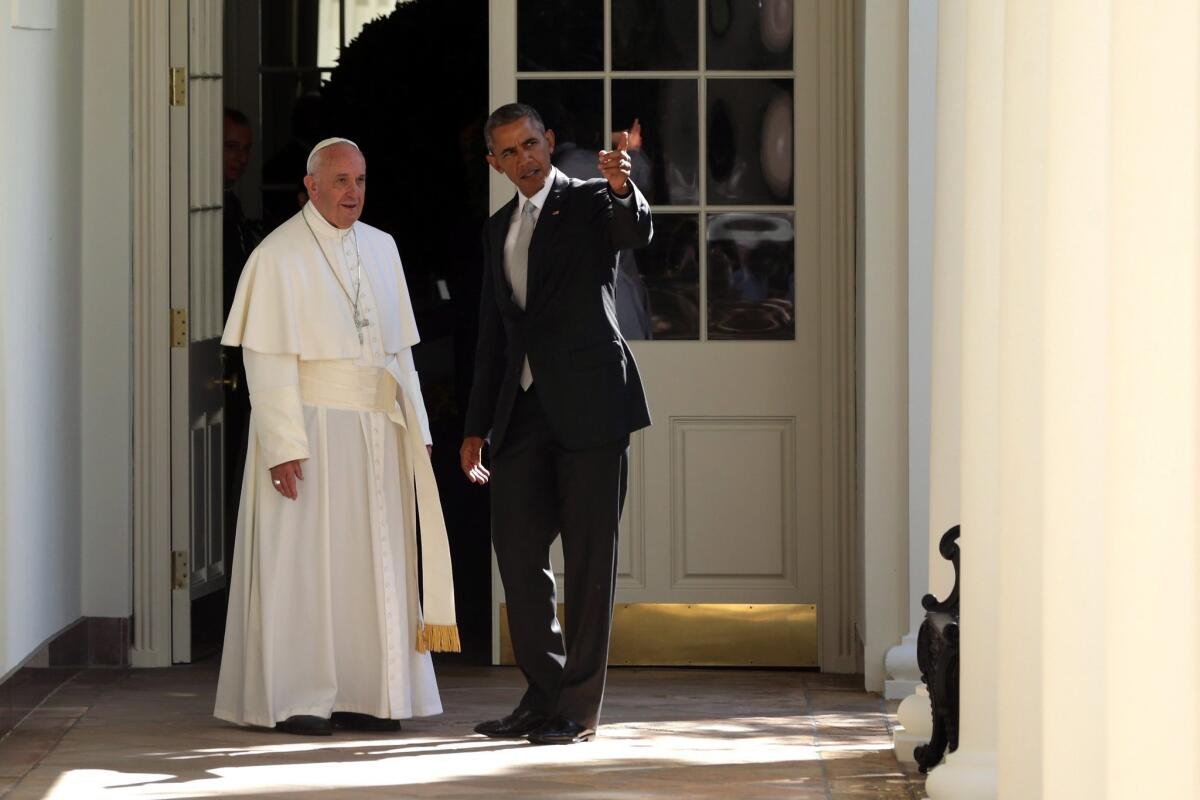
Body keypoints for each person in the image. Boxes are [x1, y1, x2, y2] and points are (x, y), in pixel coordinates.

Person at [216, 137, 459, 736]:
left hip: (377, 428)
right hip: (310, 428)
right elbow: (266, 360)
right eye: (342, 181)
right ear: (312, 186)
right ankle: (301, 696)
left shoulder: (383, 247)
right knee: (306, 563)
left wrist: (419, 429)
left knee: (372, 562)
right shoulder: (277, 255)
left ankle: (370, 692)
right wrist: (282, 445)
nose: (354, 192)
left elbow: (400, 351)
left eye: (361, 180)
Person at [462, 103, 653, 745]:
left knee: (591, 561)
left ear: (550, 142)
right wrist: (475, 427)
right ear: (494, 162)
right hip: (521, 417)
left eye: (533, 143)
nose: (526, 159)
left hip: (592, 407)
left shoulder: (595, 201)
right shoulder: (498, 230)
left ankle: (577, 709)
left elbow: (633, 232)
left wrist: (623, 184)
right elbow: (494, 336)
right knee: (517, 556)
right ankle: (542, 693)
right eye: (510, 151)